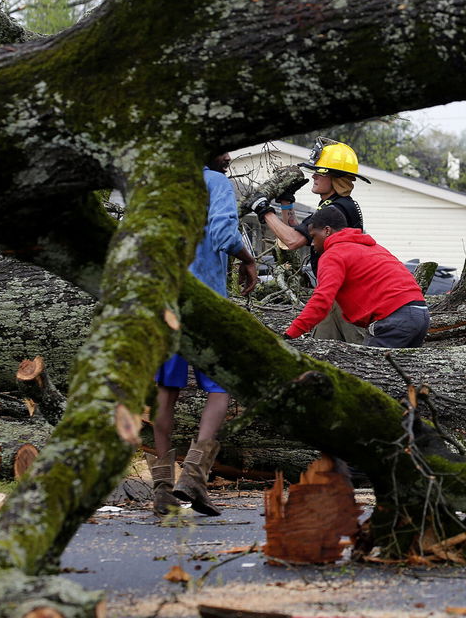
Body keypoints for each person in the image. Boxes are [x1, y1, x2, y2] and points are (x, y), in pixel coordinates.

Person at [150, 152, 258, 517]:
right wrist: (248, 258)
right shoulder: (215, 183)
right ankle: (194, 475)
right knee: (220, 386)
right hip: (203, 303)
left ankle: (162, 491)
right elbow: (225, 233)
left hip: (165, 301)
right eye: (226, 149)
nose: (229, 156)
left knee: (166, 392)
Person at [251, 138, 370, 342]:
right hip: (336, 295)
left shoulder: (336, 209)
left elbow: (293, 241)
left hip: (346, 297)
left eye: (320, 172)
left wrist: (264, 211)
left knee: (360, 354)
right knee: (321, 351)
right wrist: (287, 203)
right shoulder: (333, 205)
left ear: (336, 178)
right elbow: (299, 231)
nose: (314, 175)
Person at [283, 207, 429, 347]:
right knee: (398, 370)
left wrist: (290, 335)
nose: (313, 244)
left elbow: (322, 300)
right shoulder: (373, 247)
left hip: (394, 318)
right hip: (421, 313)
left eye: (313, 236)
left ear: (327, 230)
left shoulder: (333, 254)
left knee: (369, 370)